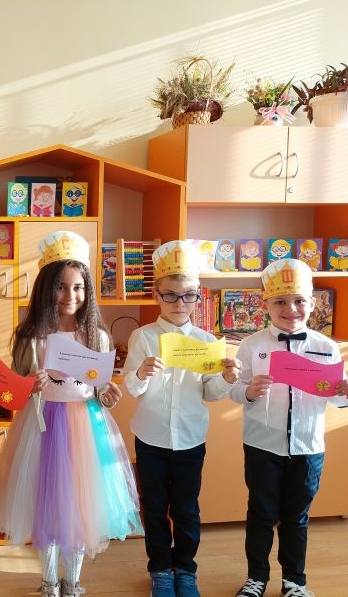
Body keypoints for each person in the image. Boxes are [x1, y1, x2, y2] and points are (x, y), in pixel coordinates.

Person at [0, 230, 142, 597]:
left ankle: (73, 580)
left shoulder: (97, 336)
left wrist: (108, 393)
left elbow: (99, 388)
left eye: (78, 288)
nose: (70, 296)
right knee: (45, 502)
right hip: (43, 425)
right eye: (61, 287)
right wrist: (32, 384)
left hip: (86, 425)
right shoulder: (31, 336)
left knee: (80, 504)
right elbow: (16, 388)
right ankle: (49, 581)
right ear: (46, 288)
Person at [231, 258, 348, 597]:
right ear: (265, 305)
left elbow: (337, 396)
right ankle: (256, 579)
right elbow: (234, 389)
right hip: (262, 445)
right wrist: (248, 391)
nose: (290, 309)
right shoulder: (252, 345)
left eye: (299, 300)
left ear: (313, 303)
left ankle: (294, 581)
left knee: (296, 517)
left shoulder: (326, 347)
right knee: (260, 514)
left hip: (307, 447)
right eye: (280, 301)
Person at [122, 240, 240, 597]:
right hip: (151, 438)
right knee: (154, 506)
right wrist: (141, 372)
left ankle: (185, 570)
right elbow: (132, 388)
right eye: (170, 295)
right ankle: (160, 569)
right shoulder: (143, 337)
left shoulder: (206, 340)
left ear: (197, 297)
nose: (179, 303)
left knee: (187, 509)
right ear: (156, 296)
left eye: (188, 296)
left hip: (190, 439)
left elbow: (210, 392)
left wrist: (227, 378)